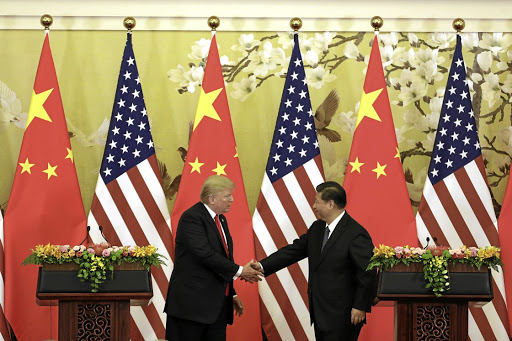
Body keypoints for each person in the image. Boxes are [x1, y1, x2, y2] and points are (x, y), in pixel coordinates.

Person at [254, 181, 376, 341]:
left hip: (344, 314)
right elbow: (293, 251)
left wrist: (360, 306)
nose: (314, 205)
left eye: (317, 201)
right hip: (320, 311)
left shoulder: (356, 233)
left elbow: (367, 271)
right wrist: (261, 266)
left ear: (331, 204)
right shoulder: (317, 228)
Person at [164, 175, 263, 341]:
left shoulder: (221, 219)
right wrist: (240, 271)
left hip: (216, 307)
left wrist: (230, 293)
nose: (231, 200)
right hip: (191, 309)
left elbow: (223, 258)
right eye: (227, 196)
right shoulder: (192, 218)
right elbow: (204, 254)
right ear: (212, 199)